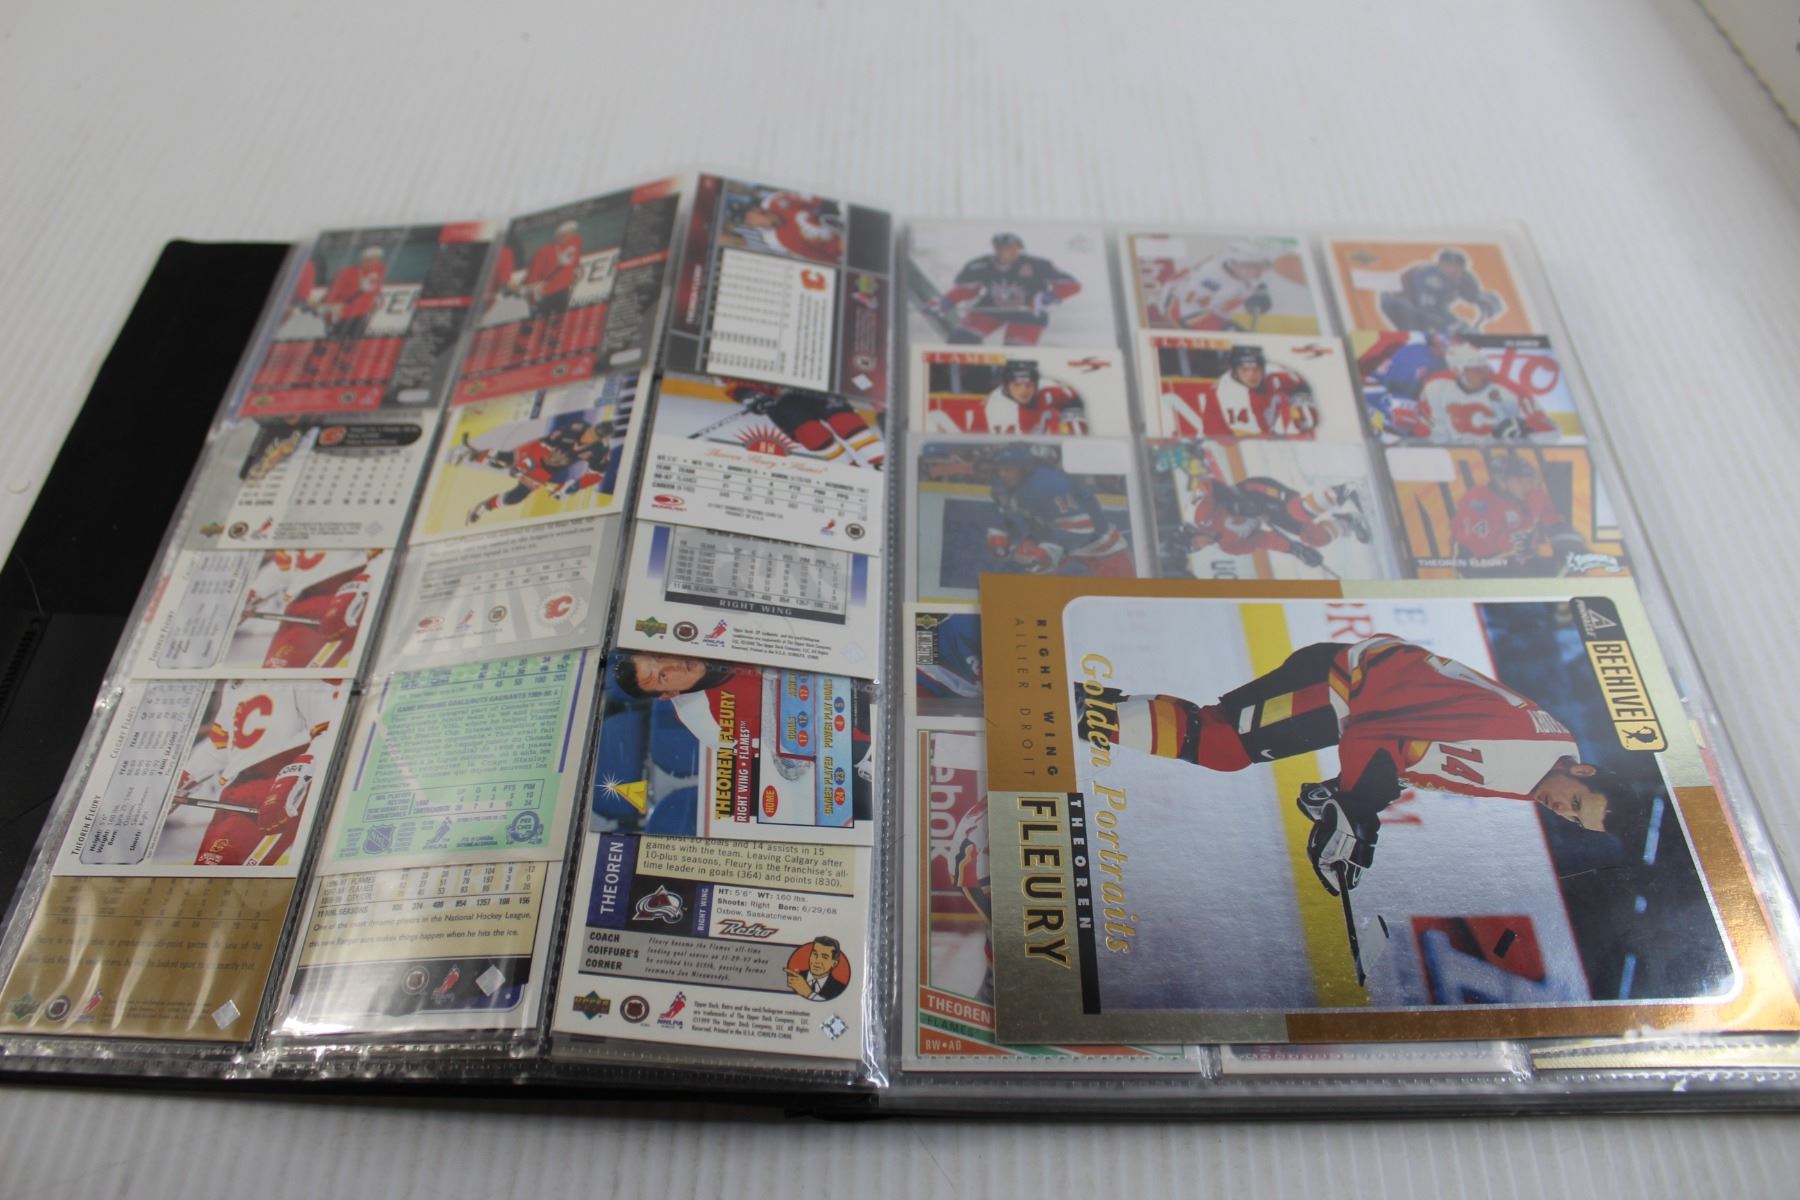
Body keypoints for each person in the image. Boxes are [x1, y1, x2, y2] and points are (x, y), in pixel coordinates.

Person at [1085, 634, 1642, 895]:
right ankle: (1078, 714)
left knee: (1224, 745)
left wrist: (1348, 797)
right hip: (1346, 684)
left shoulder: (1545, 762)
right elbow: (1375, 735)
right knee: (1222, 744)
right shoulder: (1516, 750)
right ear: (1584, 771)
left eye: (1574, 819)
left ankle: (1089, 713)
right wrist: (1357, 807)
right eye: (1575, 803)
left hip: (1363, 690)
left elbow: (1412, 750)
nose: (1561, 810)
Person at [171, 680, 342, 867]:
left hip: (276, 787)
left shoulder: (301, 676)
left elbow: (331, 730)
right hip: (234, 791)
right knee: (207, 870)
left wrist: (295, 776)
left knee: (226, 872)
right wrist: (184, 778)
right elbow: (220, 746)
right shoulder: (234, 685)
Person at [985, 444, 1136, 578]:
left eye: (1009, 469)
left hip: (1101, 550)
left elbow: (1082, 528)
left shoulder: (1051, 485)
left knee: (1123, 595)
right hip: (1063, 553)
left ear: (1025, 469)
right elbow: (1012, 519)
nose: (1002, 474)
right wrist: (1001, 536)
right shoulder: (1002, 488)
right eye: (1000, 469)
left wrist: (1046, 549)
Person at [928, 233, 1082, 346]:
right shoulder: (981, 265)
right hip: (992, 308)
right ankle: (972, 372)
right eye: (1001, 248)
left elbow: (1071, 284)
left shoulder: (1036, 264)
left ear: (1019, 249)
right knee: (960, 339)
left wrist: (1051, 295)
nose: (1006, 252)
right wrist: (947, 301)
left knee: (1016, 353)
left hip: (1027, 313)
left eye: (1011, 248)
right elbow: (967, 289)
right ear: (995, 248)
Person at [1451, 450, 1586, 574]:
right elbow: (1477, 560)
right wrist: (1513, 551)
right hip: (1483, 568)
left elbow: (1555, 525)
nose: (1527, 487)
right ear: (1501, 481)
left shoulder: (1534, 495)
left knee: (1569, 566)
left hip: (1522, 563)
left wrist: (1570, 546)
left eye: (1530, 481)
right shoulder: (1478, 501)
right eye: (1520, 481)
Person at [724, 381, 885, 468]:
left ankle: (883, 462)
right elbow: (732, 383)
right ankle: (849, 473)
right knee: (813, 436)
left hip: (816, 386)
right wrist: (749, 395)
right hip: (780, 403)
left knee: (845, 422)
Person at [1417, 341, 1555, 441]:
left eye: (1485, 368)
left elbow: (1549, 432)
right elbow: (1428, 431)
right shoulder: (1435, 386)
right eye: (1476, 370)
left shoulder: (1509, 390)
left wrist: (1524, 435)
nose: (1485, 374)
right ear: (1457, 371)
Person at [1152, 241, 1276, 331]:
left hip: (1196, 307)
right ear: (1235, 263)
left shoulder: (1238, 272)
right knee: (1232, 335)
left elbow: (1251, 287)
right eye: (1254, 265)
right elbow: (1189, 305)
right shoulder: (1209, 277)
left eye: (1260, 265)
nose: (1259, 270)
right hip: (1180, 310)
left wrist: (1258, 292)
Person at [1379, 248, 1503, 334]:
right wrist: (1454, 324)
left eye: (1456, 266)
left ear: (1462, 267)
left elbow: (1472, 295)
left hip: (1423, 306)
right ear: (1440, 265)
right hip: (1396, 301)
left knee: (1443, 327)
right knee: (1421, 329)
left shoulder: (1466, 278)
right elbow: (1427, 309)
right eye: (1447, 265)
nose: (1452, 269)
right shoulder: (1428, 277)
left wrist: (1485, 301)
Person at [306, 246, 385, 378]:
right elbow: (332, 295)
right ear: (362, 259)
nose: (372, 263)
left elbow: (377, 287)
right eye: (369, 260)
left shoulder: (379, 268)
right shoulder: (346, 273)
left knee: (354, 340)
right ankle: (314, 362)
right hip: (342, 312)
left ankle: (342, 360)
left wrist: (377, 298)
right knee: (329, 339)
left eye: (375, 259)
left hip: (361, 312)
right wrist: (331, 309)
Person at [1212, 345, 1318, 437]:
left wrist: (1301, 405)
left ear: (1263, 368)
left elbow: (1309, 420)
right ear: (1234, 372)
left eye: (1256, 369)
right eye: (1244, 370)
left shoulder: (1278, 375)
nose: (1251, 375)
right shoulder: (1224, 389)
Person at [516, 220, 583, 356]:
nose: (567, 237)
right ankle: (521, 343)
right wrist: (533, 291)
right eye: (564, 235)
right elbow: (533, 274)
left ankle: (551, 337)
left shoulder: (576, 241)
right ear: (558, 236)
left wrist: (577, 269)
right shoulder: (544, 251)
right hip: (545, 291)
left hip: (564, 287)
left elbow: (575, 260)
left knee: (559, 315)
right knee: (535, 318)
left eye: (570, 233)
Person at [973, 359, 1087, 435]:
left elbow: (1074, 399)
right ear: (1006, 385)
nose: (1023, 391)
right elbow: (973, 449)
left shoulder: (1047, 389)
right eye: (1016, 385)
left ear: (1036, 384)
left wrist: (1075, 431)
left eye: (1029, 384)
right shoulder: (988, 409)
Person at [736, 190, 844, 264]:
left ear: (755, 209)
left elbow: (818, 200)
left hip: (840, 218)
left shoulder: (777, 201)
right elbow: (821, 258)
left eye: (749, 217)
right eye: (748, 222)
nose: (753, 222)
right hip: (839, 248)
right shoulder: (780, 239)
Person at [786, 937, 850, 1001]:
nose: (817, 961)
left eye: (824, 957)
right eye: (815, 954)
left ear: (834, 963)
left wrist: (809, 993)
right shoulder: (794, 978)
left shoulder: (839, 988)